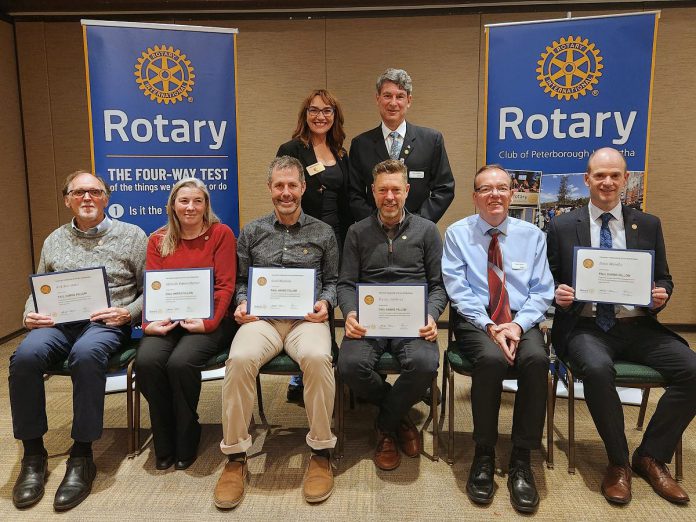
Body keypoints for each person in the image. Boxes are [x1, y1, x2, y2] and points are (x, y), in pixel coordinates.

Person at [547, 147, 696, 506]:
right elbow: (547, 279)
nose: (608, 182)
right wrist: (557, 293)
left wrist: (662, 295)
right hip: (585, 327)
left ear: (625, 178)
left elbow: (664, 278)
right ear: (587, 180)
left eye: (615, 175)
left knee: (693, 370)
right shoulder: (563, 225)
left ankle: (650, 456)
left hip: (638, 326)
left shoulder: (648, 224)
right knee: (597, 370)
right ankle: (618, 463)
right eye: (600, 175)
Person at [9, 170, 147, 511]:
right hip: (57, 324)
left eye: (95, 192)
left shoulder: (132, 236)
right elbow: (39, 287)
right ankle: (33, 454)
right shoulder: (54, 239)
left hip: (106, 322)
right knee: (24, 357)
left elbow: (151, 290)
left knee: (86, 356)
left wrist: (128, 313)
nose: (87, 197)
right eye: (79, 192)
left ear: (106, 198)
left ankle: (82, 454)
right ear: (67, 199)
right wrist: (29, 314)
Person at [214, 156, 338, 508]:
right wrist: (241, 302)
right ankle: (235, 456)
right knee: (238, 359)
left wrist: (326, 304)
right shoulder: (252, 231)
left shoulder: (323, 232)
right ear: (270, 189)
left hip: (306, 321)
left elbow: (333, 281)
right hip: (263, 321)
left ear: (303, 188)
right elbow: (240, 280)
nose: (286, 193)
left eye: (292, 185)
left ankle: (320, 450)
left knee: (317, 358)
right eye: (279, 186)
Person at [441, 164, 553, 513]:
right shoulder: (457, 234)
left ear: (511, 194)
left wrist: (517, 326)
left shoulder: (532, 235)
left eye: (502, 188)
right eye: (486, 189)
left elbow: (542, 290)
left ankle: (522, 457)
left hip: (522, 320)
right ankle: (484, 453)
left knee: (536, 360)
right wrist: (491, 326)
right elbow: (457, 289)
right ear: (475, 197)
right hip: (477, 321)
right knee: (489, 360)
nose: (495, 195)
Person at [337, 159, 446, 471]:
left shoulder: (427, 231)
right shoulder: (356, 232)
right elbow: (345, 284)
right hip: (368, 321)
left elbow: (438, 286)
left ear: (407, 191)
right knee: (350, 365)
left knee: (425, 363)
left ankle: (386, 426)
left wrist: (431, 315)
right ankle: (399, 416)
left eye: (396, 190)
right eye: (383, 189)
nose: (389, 196)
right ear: (373, 191)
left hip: (412, 321)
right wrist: (350, 313)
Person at [135, 178, 237, 471]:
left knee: (181, 363)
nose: (190, 207)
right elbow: (152, 288)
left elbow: (225, 286)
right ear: (172, 206)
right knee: (148, 361)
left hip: (211, 320)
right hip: (167, 319)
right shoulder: (157, 239)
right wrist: (148, 324)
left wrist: (207, 323)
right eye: (184, 201)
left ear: (206, 205)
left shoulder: (221, 234)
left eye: (197, 201)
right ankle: (164, 435)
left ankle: (187, 429)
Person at [277, 89, 352, 403]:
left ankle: (328, 366)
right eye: (314, 110)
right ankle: (299, 374)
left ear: (335, 116)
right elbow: (286, 191)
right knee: (307, 298)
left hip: (339, 234)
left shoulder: (341, 152)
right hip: (303, 234)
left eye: (327, 111)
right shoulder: (291, 148)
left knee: (331, 296)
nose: (320, 116)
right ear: (304, 114)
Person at [348, 68, 454, 224]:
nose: (393, 103)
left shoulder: (431, 140)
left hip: (418, 234)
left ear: (409, 100)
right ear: (377, 99)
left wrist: (417, 224)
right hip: (373, 234)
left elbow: (444, 188)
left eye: (400, 96)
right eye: (387, 96)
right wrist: (375, 223)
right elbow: (353, 194)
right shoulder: (360, 144)